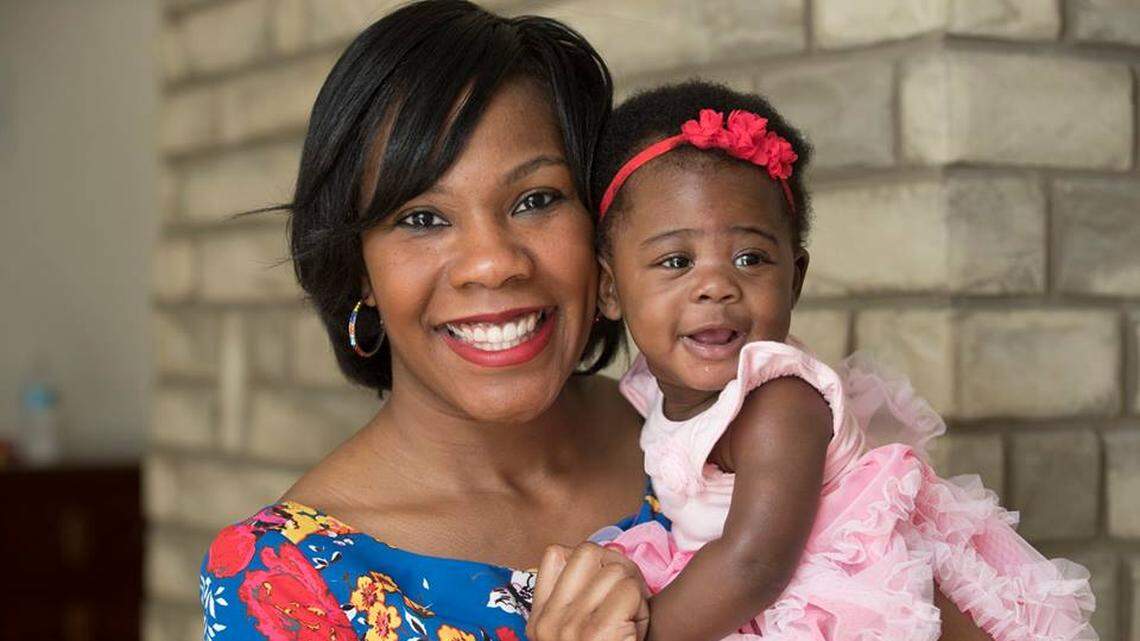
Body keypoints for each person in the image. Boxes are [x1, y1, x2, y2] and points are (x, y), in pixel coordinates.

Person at [199, 3, 660, 640]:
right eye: (422, 218)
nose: (493, 264)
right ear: (358, 267)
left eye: (536, 200)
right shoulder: (285, 583)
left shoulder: (710, 437)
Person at [581, 80, 1097, 641]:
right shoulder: (649, 390)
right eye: (676, 260)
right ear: (610, 289)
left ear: (794, 280)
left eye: (750, 258)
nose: (716, 286)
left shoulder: (777, 401)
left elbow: (755, 564)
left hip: (828, 598)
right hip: (730, 584)